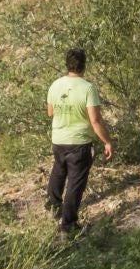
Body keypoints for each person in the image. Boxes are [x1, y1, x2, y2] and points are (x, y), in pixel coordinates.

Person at [45, 47, 112, 238]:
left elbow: (50, 112)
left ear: (67, 65)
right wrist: (107, 141)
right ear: (84, 65)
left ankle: (53, 205)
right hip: (80, 142)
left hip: (58, 139)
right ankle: (68, 226)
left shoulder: (55, 85)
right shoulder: (88, 88)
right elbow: (95, 120)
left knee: (59, 171)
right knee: (75, 183)